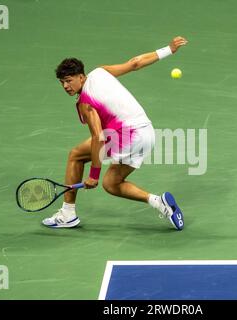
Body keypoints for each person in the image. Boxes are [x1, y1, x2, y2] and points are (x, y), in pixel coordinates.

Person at [42, 36, 188, 230]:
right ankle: (159, 202)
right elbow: (135, 63)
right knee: (112, 183)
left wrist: (93, 174)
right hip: (147, 133)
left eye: (69, 81)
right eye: (62, 83)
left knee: (76, 156)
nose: (66, 86)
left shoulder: (86, 102)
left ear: (81, 77)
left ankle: (68, 214)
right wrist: (168, 49)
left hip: (127, 136)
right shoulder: (100, 72)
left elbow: (99, 137)